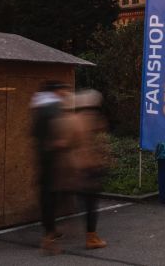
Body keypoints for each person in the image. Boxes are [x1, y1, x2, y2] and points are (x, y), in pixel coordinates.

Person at [51, 90, 109, 250]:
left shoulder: (73, 119)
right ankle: (91, 237)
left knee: (79, 201)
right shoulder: (94, 120)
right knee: (90, 204)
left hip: (76, 166)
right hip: (90, 167)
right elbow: (100, 143)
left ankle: (57, 230)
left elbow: (64, 143)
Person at [30, 81, 71, 255]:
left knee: (49, 196)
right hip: (52, 160)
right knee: (51, 198)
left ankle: (51, 229)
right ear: (57, 91)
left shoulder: (39, 106)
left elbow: (34, 133)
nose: (67, 93)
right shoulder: (51, 108)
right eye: (64, 89)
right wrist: (60, 143)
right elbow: (58, 134)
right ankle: (48, 240)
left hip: (44, 158)